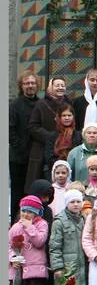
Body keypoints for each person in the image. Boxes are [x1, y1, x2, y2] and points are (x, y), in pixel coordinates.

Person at [10, 195, 49, 285]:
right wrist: (13, 257)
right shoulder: (15, 226)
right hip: (19, 269)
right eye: (24, 211)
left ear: (37, 213)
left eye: (30, 212)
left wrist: (29, 227)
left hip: (35, 268)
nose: (26, 215)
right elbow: (9, 245)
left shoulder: (42, 224)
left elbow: (39, 241)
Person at [11, 72, 41, 216]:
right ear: (21, 86)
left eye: (33, 83)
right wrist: (22, 149)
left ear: (37, 85)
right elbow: (10, 130)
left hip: (36, 157)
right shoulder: (15, 105)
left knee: (33, 192)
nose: (30, 86)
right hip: (19, 158)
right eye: (27, 83)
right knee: (18, 192)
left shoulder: (41, 104)